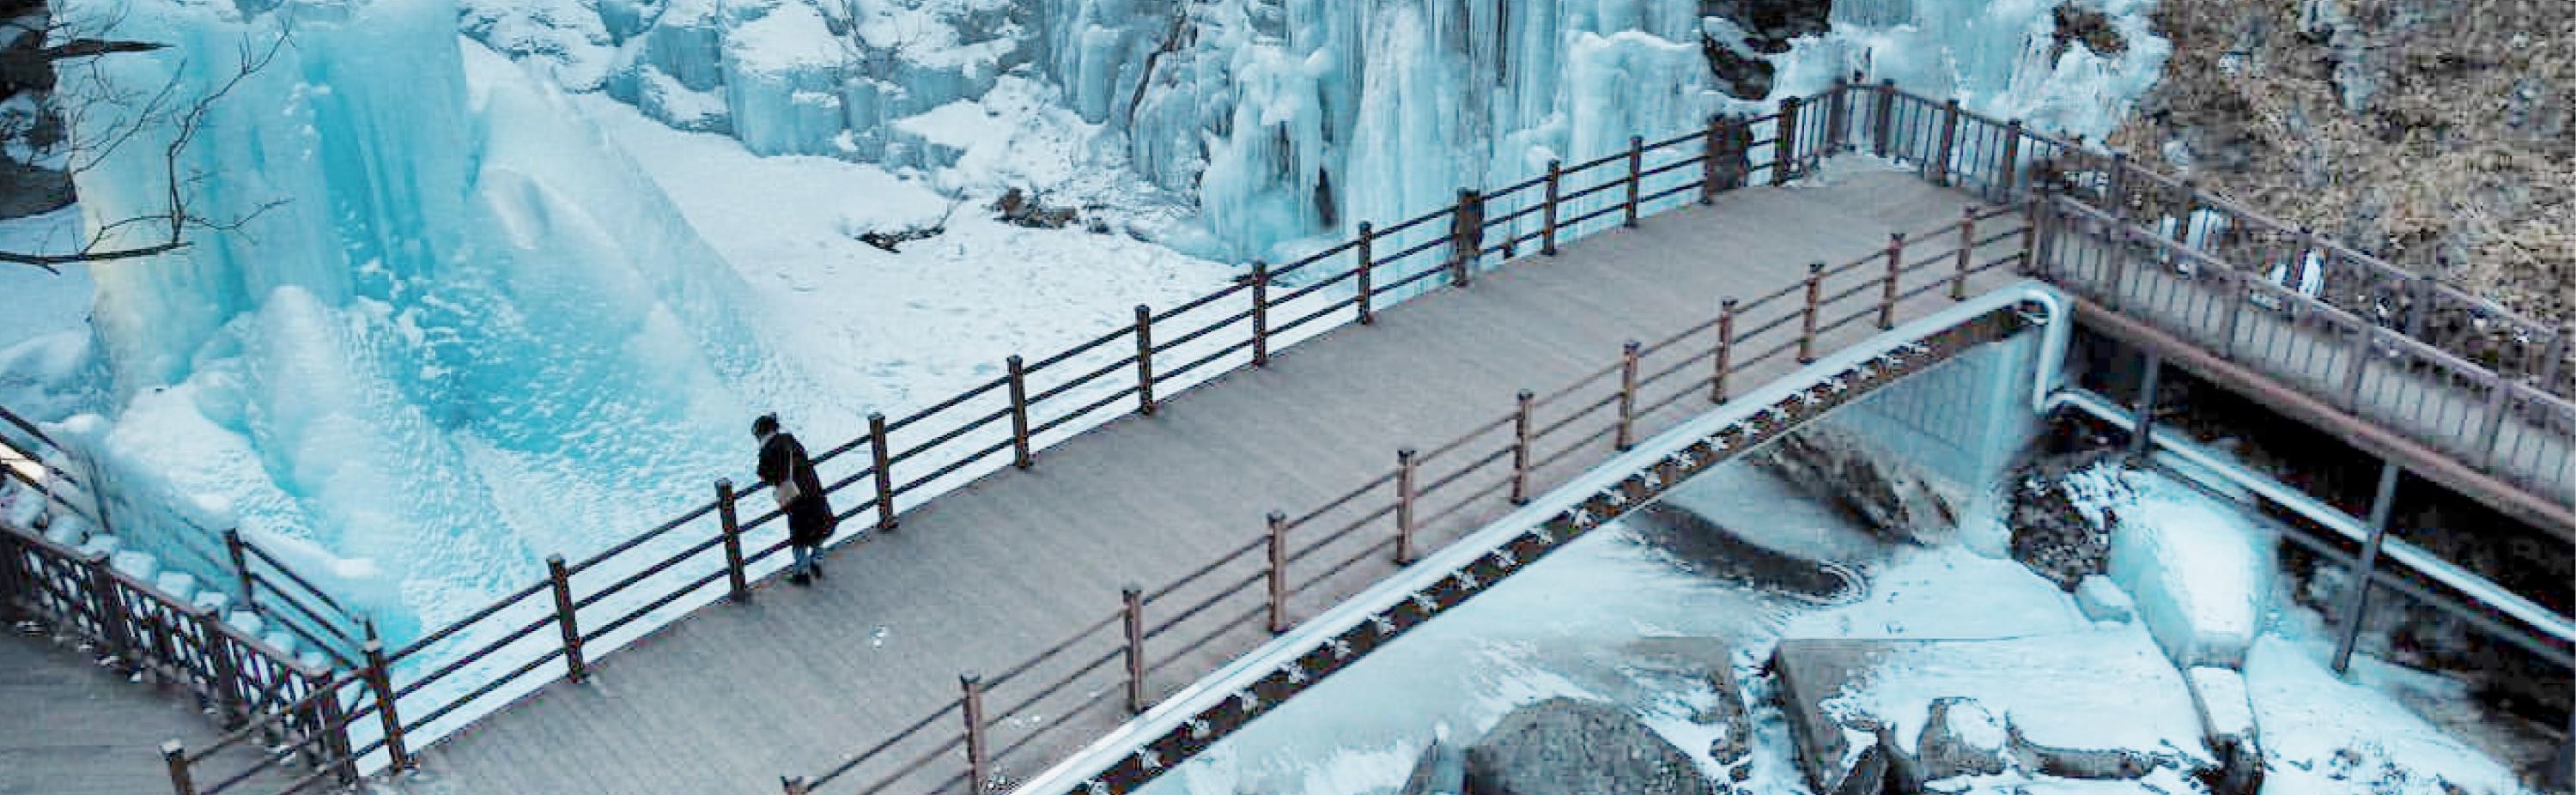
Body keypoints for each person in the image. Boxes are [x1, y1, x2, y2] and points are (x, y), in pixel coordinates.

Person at [754, 413, 836, 586]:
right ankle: (816, 562)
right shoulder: (789, 440)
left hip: (796, 498)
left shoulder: (767, 450)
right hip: (813, 489)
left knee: (799, 536)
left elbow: (764, 474)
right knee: (818, 528)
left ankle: (802, 573)